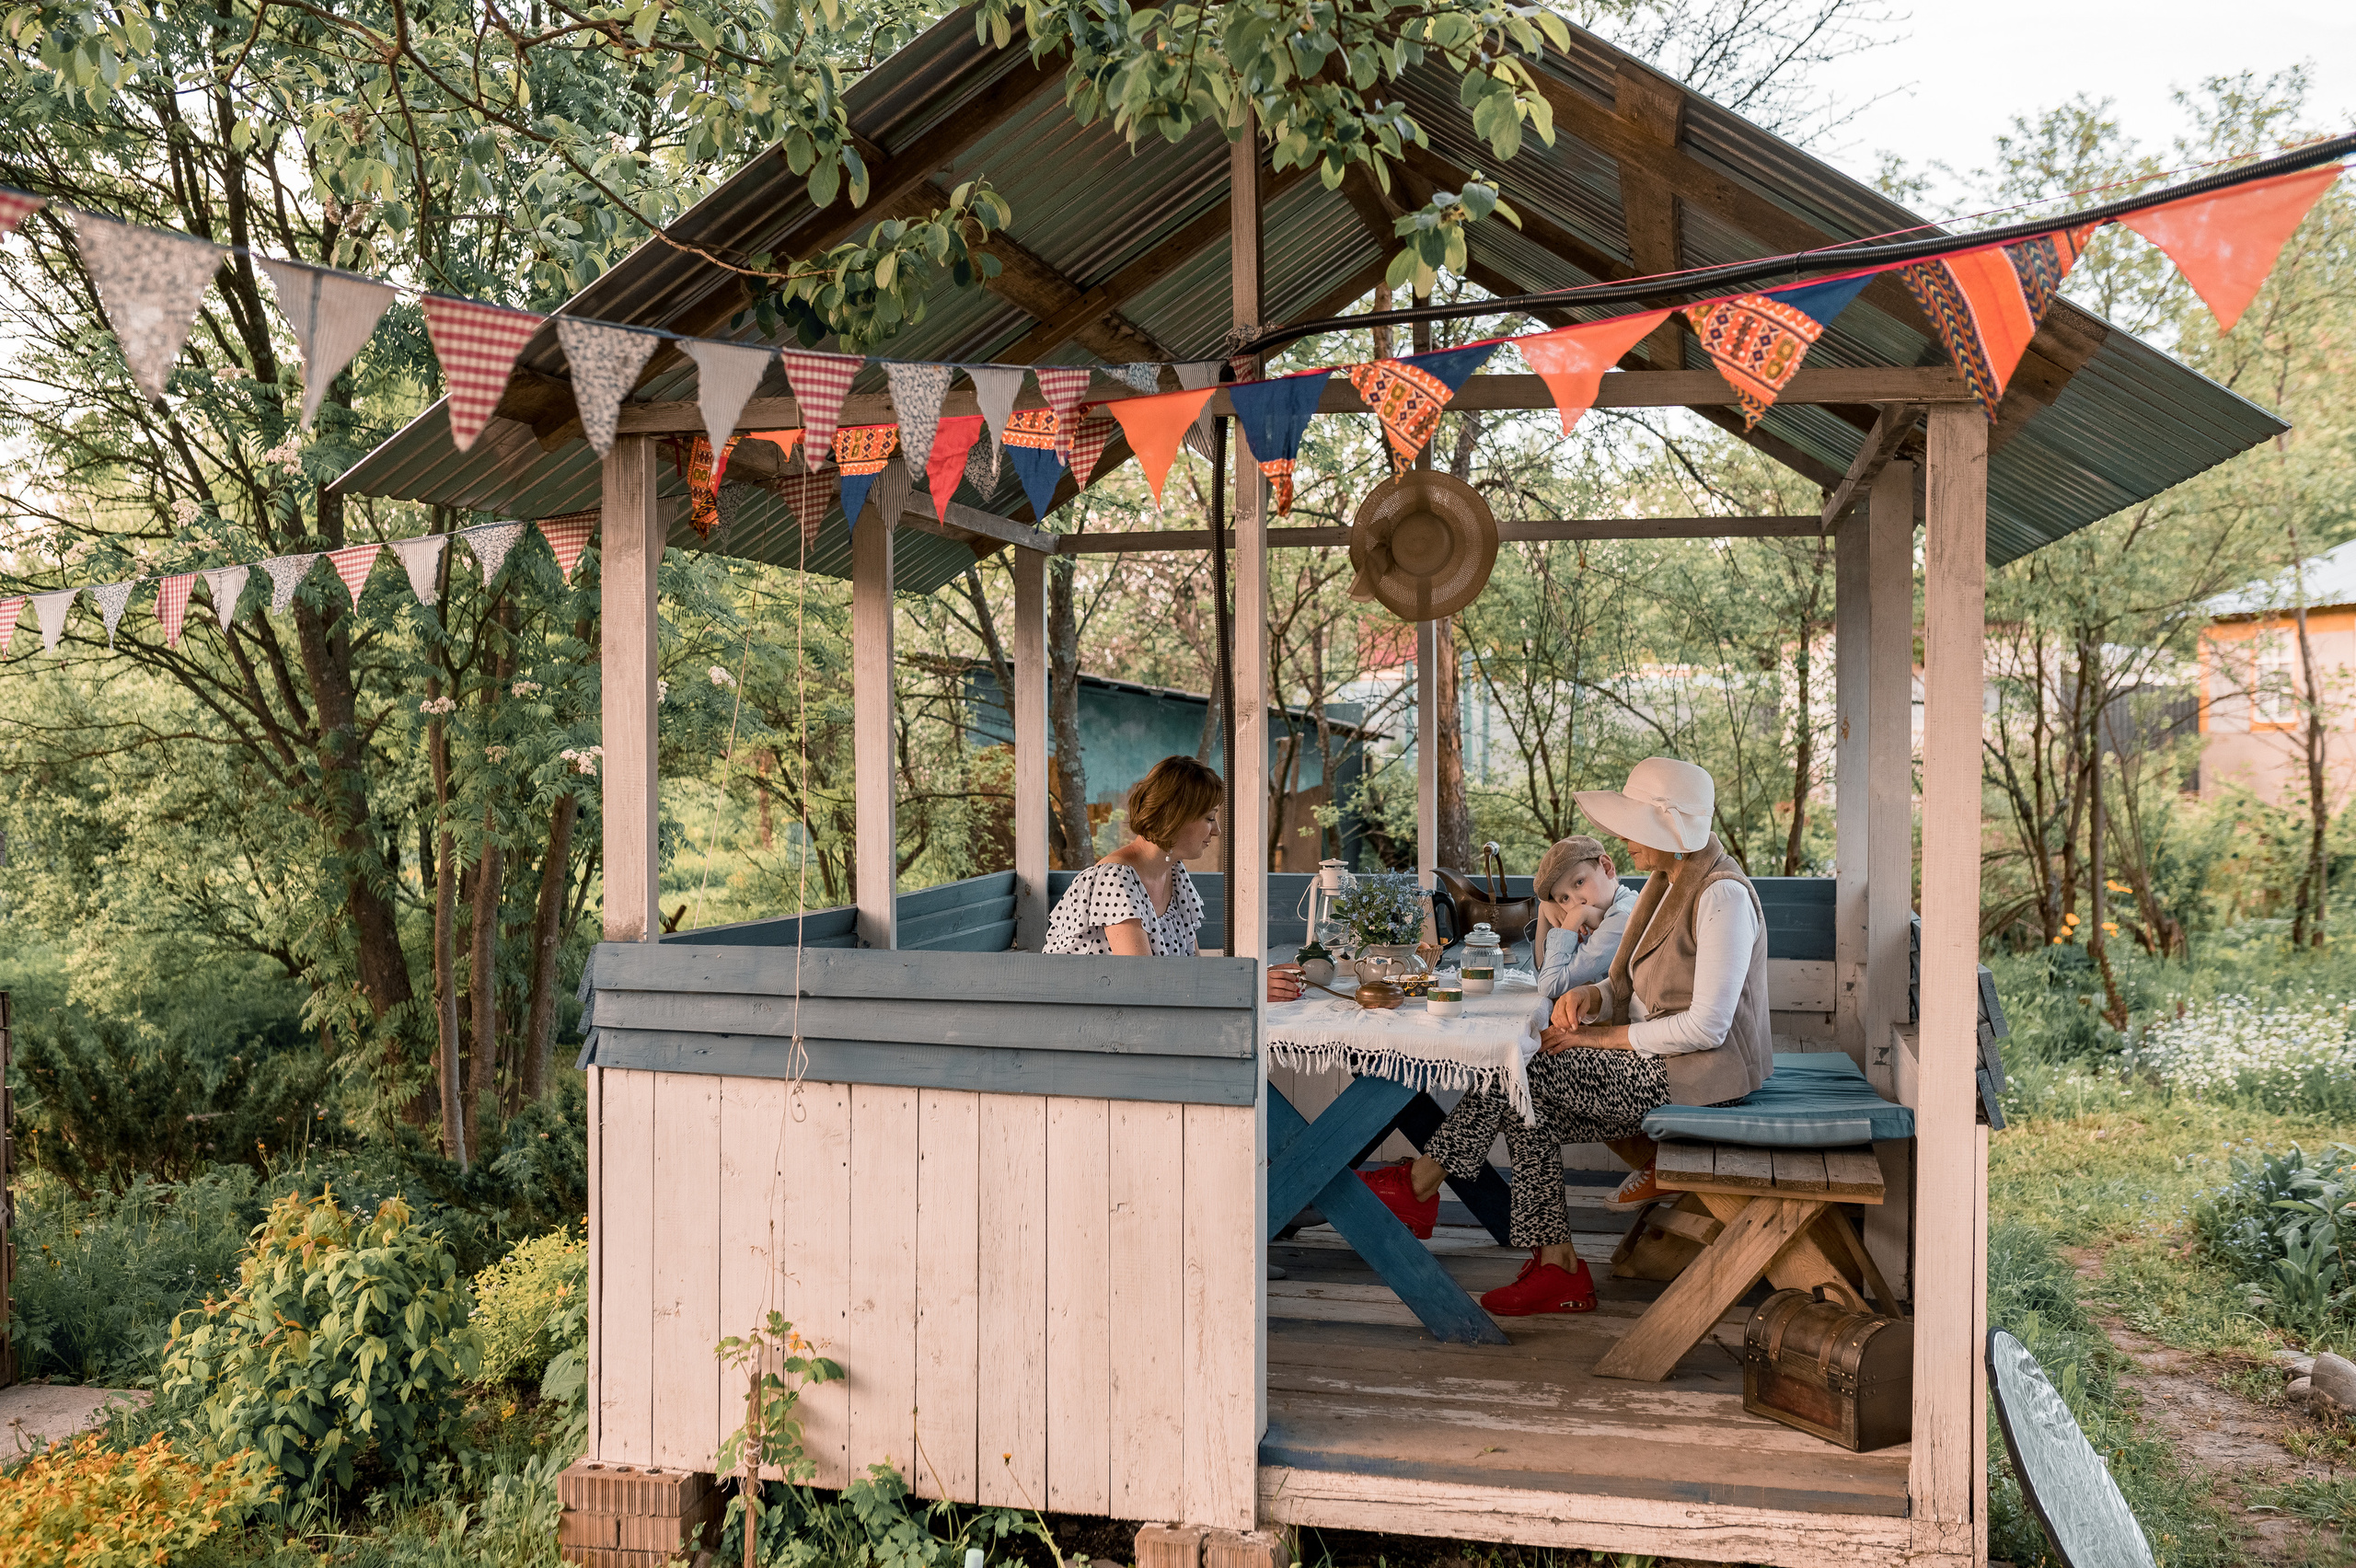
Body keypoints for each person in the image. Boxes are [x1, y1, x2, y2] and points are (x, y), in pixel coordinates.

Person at [1358, 757, 1774, 1317]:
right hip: (1662, 1061)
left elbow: (1708, 1027)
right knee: (1525, 1099)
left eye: (1633, 826)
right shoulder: (1667, 882)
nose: (1622, 838)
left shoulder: (1720, 895)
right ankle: (1553, 1265)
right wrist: (1592, 997)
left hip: (1704, 1075)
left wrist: (1597, 1038)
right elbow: (1632, 982)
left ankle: (1427, 1185)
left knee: (1521, 1078)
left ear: (1670, 830)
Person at [1041, 755, 1304, 1004]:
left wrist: (1258, 977)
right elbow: (1144, 984)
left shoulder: (1174, 873)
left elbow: (1193, 968)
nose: (1217, 830)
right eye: (1209, 818)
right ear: (1175, 817)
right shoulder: (1114, 879)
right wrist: (1248, 986)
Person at [1534, 835, 1637, 1003]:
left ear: (1606, 866)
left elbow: (1549, 985)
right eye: (1564, 899)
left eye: (1579, 882)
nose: (1577, 902)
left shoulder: (1622, 917)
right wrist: (1543, 912)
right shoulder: (1598, 915)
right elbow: (1542, 975)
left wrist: (1576, 915)